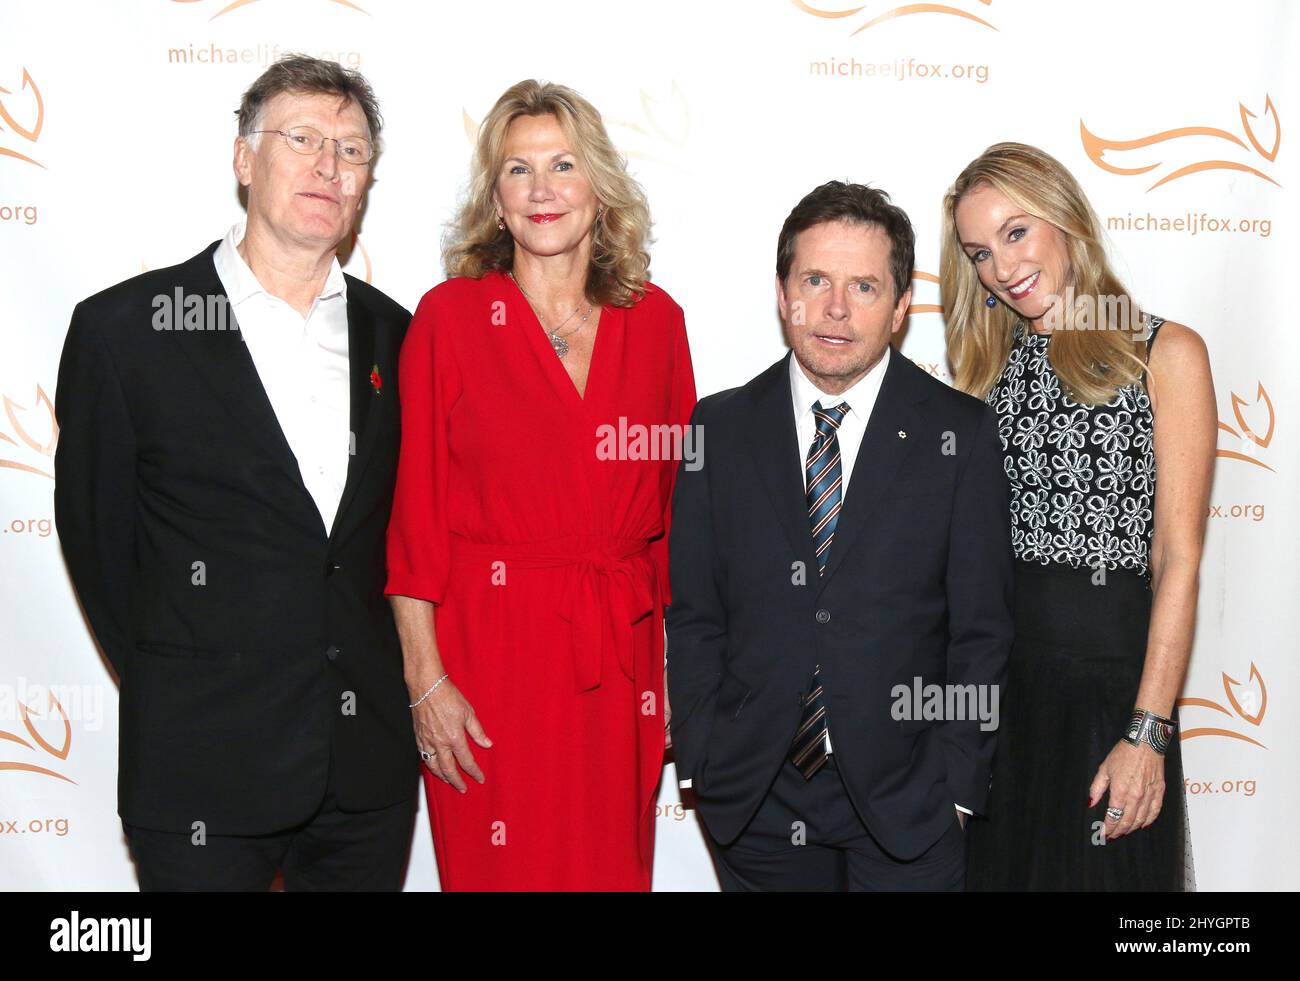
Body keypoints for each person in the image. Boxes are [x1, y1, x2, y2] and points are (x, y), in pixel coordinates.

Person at [53, 55, 418, 891]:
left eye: (352, 150)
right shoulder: (126, 331)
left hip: (364, 777)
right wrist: (187, 675)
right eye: (302, 138)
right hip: (198, 768)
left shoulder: (402, 339)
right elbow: (99, 541)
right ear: (244, 159)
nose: (329, 165)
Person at [385, 79, 696, 891]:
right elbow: (413, 525)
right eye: (518, 170)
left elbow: (678, 523)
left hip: (619, 664)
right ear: (496, 200)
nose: (542, 189)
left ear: (600, 186)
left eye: (562, 164)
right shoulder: (449, 320)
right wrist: (427, 684)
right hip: (489, 666)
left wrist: (680, 680)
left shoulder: (656, 321)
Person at [667, 181, 1013, 891]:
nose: (835, 309)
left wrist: (955, 784)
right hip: (757, 798)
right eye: (816, 279)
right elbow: (696, 613)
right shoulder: (719, 430)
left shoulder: (961, 435)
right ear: (782, 290)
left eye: (864, 286)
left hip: (909, 801)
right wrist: (704, 749)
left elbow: (981, 632)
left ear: (900, 306)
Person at [941, 142, 1215, 890]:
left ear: (1065, 218)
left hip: (1110, 700)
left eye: (1016, 232)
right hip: (999, 707)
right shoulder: (979, 378)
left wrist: (1148, 730)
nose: (1001, 265)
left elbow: (1178, 558)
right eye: (979, 252)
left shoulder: (1164, 352)